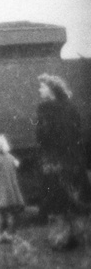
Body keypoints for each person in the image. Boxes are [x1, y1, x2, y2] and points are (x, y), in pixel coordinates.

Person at [35, 73, 90, 250]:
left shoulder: (43, 108)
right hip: (72, 161)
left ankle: (60, 240)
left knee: (56, 202)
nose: (39, 90)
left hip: (53, 162)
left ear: (51, 90)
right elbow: (77, 134)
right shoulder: (71, 107)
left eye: (42, 87)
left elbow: (42, 136)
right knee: (74, 200)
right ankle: (79, 237)